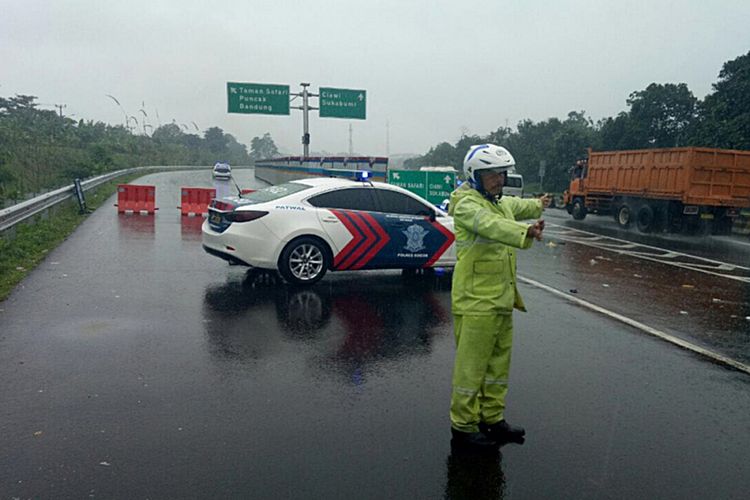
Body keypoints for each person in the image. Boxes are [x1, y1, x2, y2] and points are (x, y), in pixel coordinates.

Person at [448, 144, 550, 448]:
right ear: (475, 175)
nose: (499, 179)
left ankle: (492, 417)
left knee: (497, 365)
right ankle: (463, 425)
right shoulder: (466, 204)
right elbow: (490, 225)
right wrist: (525, 233)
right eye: (492, 174)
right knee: (471, 367)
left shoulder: (499, 202)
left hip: (501, 300)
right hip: (475, 302)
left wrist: (539, 204)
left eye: (502, 173)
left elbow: (517, 207)